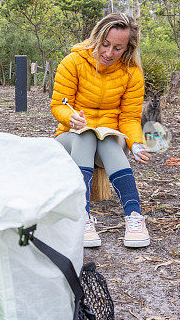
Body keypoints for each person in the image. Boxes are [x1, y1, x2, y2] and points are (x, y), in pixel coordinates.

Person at [51, 13, 152, 249]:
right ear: (96, 38)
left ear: (128, 47)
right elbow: (58, 105)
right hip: (71, 138)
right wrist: (72, 118)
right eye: (104, 44)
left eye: (118, 48)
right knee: (86, 135)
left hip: (108, 143)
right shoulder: (73, 62)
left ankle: (134, 216)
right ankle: (82, 218)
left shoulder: (132, 72)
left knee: (108, 139)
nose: (108, 53)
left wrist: (136, 143)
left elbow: (128, 117)